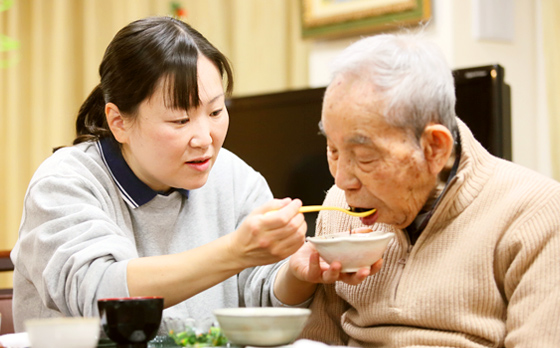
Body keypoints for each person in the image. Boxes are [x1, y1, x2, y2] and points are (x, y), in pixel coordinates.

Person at [10, 16, 314, 332]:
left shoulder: (233, 176)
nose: (205, 138)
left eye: (215, 112)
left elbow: (263, 296)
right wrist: (235, 251)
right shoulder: (63, 183)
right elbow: (101, 295)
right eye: (180, 120)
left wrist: (299, 273)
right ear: (118, 122)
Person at [290, 32, 560, 347]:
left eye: (364, 157)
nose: (342, 181)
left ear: (434, 148)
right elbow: (317, 341)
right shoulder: (339, 211)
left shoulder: (538, 214)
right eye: (333, 150)